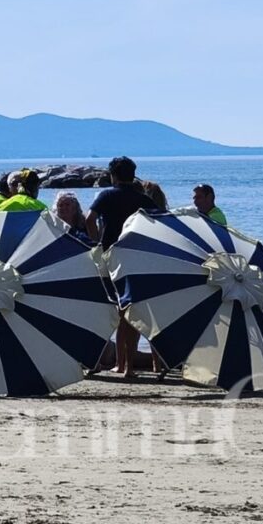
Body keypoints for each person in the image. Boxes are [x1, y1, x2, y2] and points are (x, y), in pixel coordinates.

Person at [85, 157, 158, 378]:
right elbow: (158, 226)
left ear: (112, 175)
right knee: (131, 310)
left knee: (113, 309)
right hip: (136, 259)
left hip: (110, 256)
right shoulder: (143, 199)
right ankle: (129, 366)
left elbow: (90, 219)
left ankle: (115, 362)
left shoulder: (106, 195)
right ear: (132, 174)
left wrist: (97, 242)